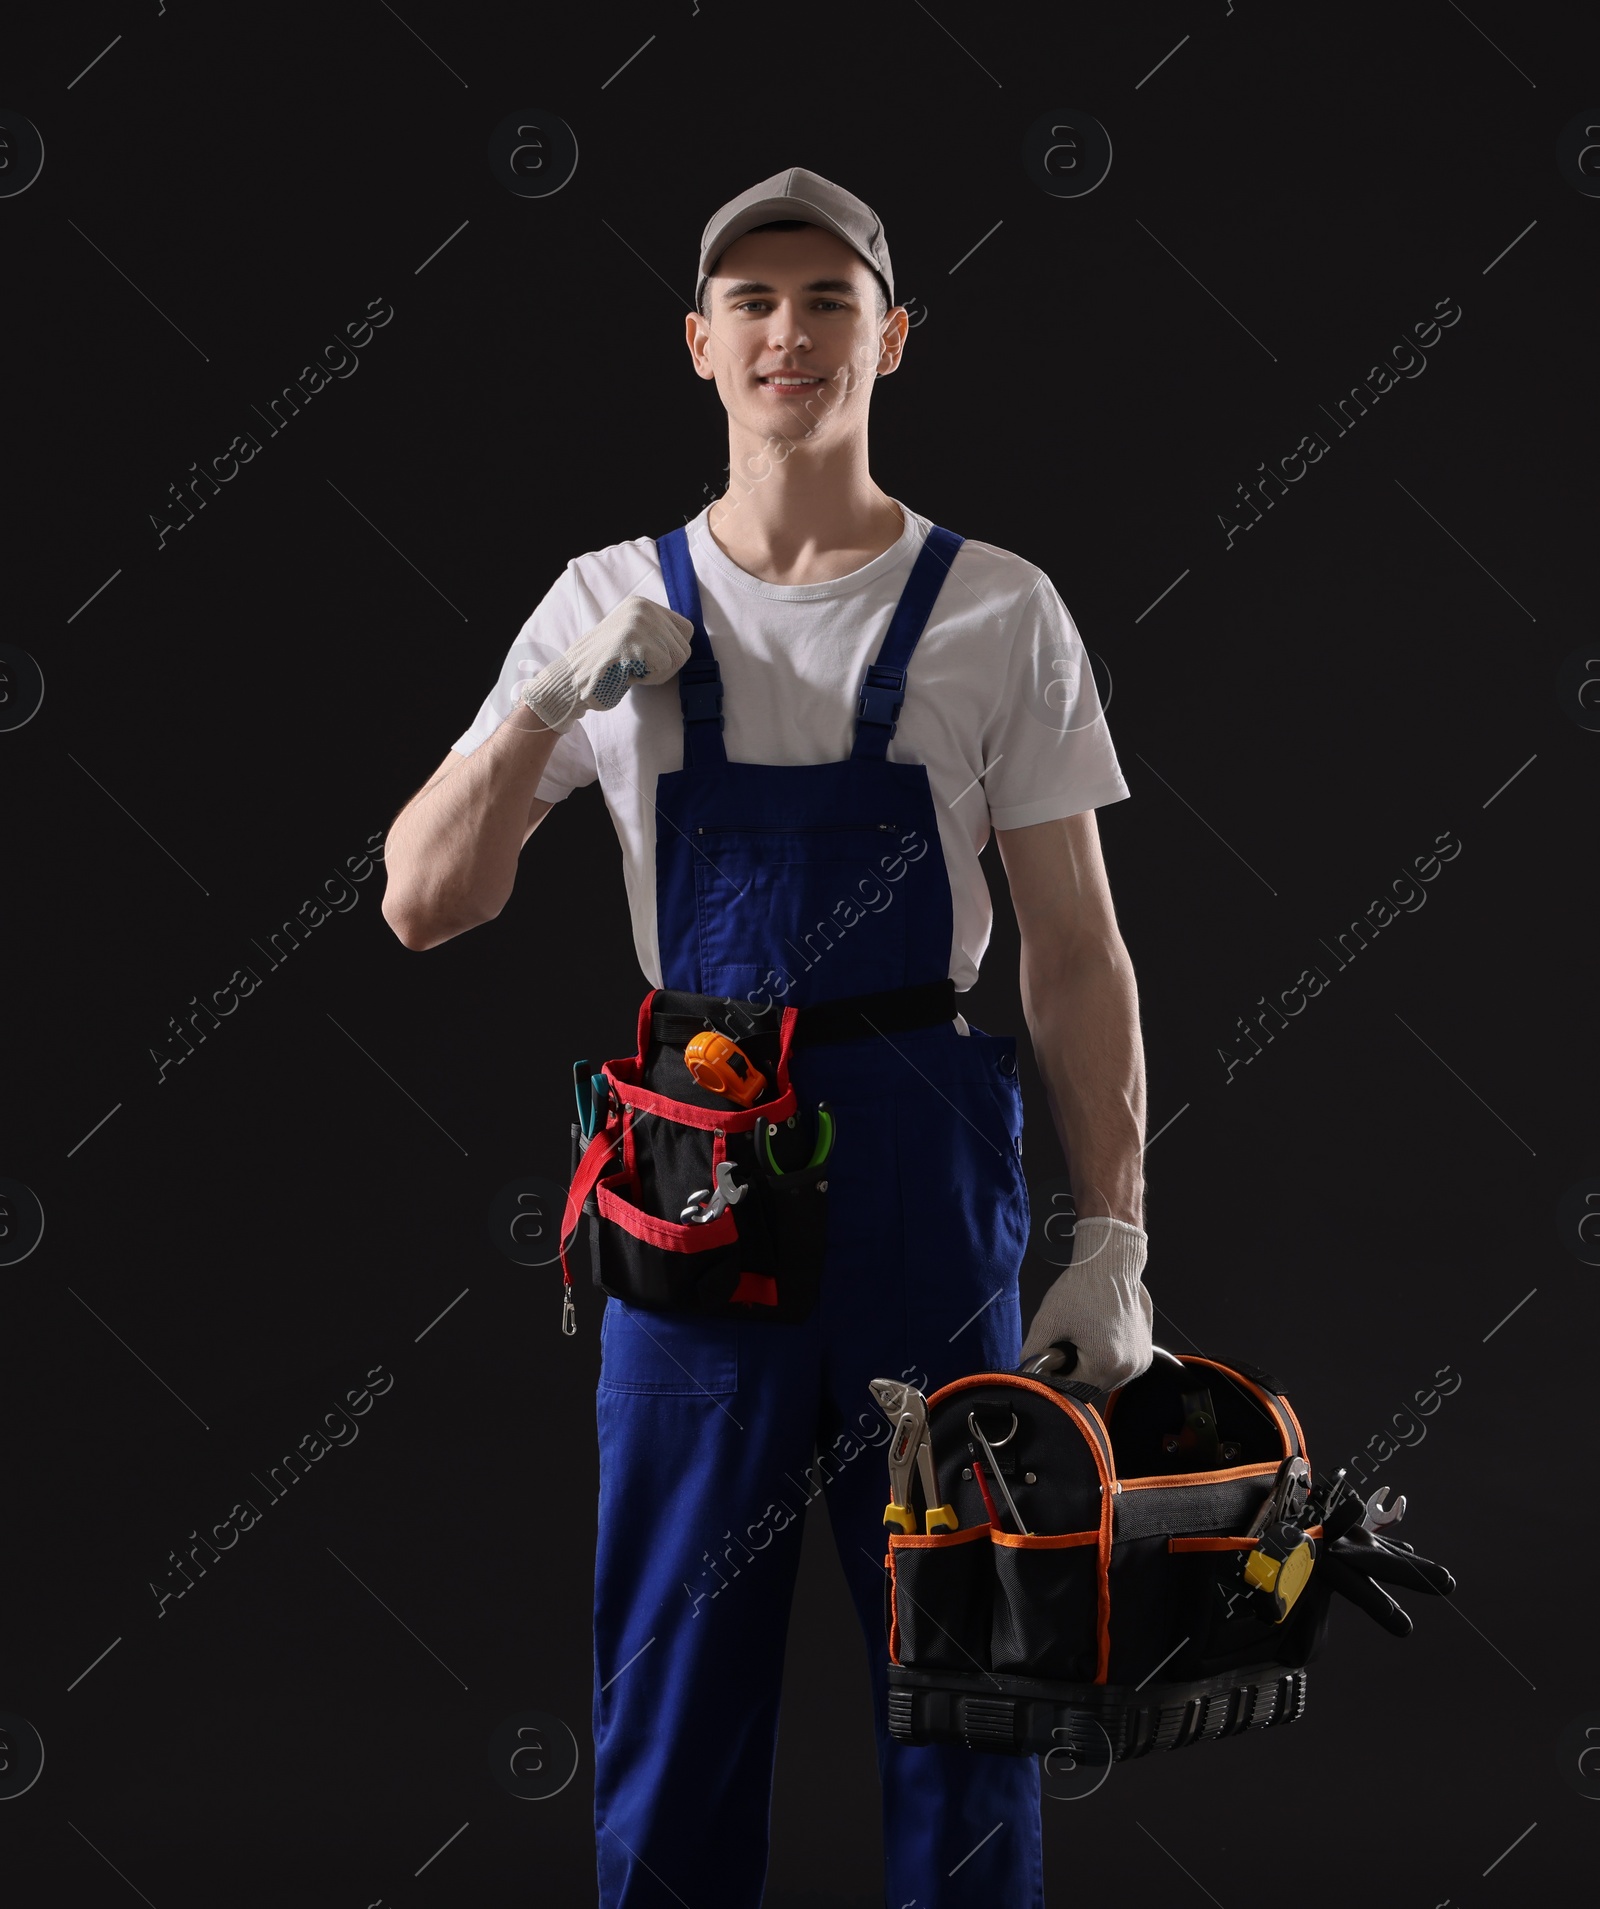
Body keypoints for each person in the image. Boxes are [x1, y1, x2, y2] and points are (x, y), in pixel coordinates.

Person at [381, 167, 1154, 1909]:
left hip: (925, 1179)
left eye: (827, 300)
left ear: (891, 334)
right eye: (754, 302)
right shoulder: (603, 601)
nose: (790, 332)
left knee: (971, 1677)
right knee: (672, 1687)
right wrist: (544, 712)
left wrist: (1113, 1232)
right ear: (700, 345)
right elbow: (424, 898)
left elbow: (1077, 947)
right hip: (695, 1182)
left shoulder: (996, 611)